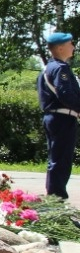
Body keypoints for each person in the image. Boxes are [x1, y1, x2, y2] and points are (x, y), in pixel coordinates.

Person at [38, 31, 79, 200]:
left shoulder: (49, 67)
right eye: (71, 43)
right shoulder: (60, 69)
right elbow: (65, 93)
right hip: (62, 119)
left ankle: (54, 200)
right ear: (61, 48)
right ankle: (56, 201)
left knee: (56, 160)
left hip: (55, 118)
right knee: (61, 162)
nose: (74, 47)